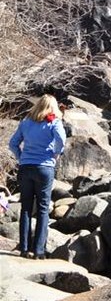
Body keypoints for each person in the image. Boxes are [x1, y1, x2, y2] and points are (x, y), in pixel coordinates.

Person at [8, 94, 67, 259]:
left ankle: (24, 249)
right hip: (44, 168)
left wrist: (21, 157)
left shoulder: (26, 122)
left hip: (25, 167)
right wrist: (56, 153)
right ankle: (39, 251)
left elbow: (12, 143)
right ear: (53, 107)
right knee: (42, 209)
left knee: (26, 208)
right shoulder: (54, 122)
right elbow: (61, 140)